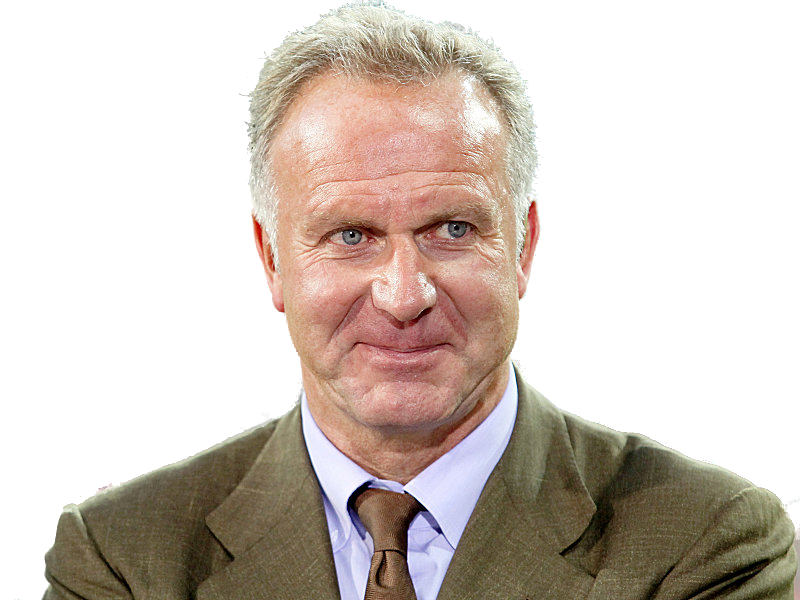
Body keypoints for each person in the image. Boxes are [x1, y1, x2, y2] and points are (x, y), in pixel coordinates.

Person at [43, 2, 796, 598]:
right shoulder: (123, 560)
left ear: (524, 246)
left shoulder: (705, 541)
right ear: (271, 259)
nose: (404, 295)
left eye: (452, 229)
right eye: (350, 236)